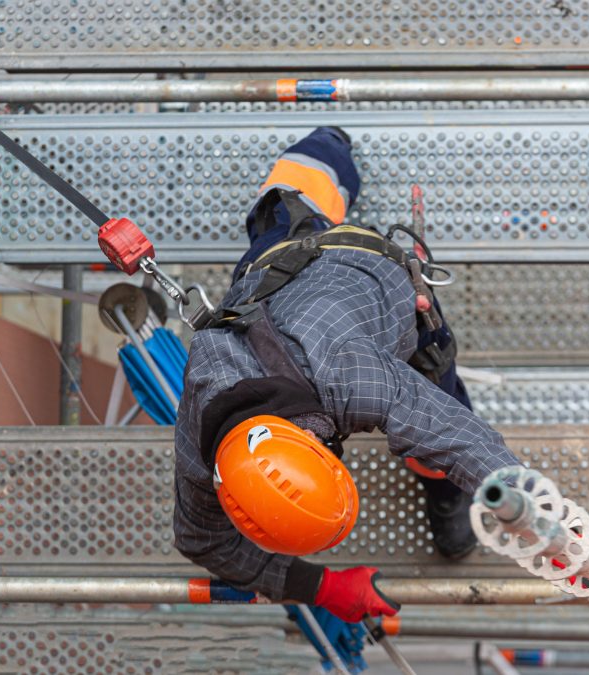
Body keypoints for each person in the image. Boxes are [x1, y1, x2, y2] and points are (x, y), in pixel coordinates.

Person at [172, 126, 520, 623]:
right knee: (281, 205)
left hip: (380, 280)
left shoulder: (350, 375)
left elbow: (453, 433)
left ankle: (445, 497)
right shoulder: (201, 445)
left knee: (438, 423)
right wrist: (321, 586)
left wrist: (519, 494)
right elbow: (200, 540)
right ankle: (323, 154)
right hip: (271, 272)